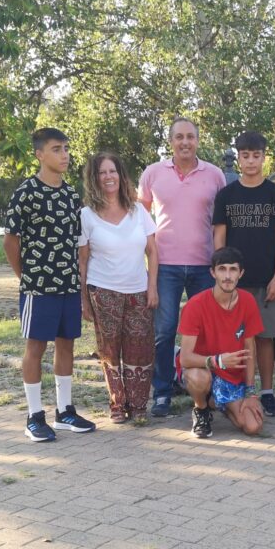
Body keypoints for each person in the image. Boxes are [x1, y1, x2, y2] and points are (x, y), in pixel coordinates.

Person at [3, 127, 96, 442]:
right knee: (36, 347)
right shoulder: (26, 192)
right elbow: (10, 242)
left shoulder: (70, 194)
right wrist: (26, 276)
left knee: (67, 344)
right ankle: (34, 416)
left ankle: (65, 411)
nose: (64, 155)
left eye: (66, 148)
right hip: (38, 287)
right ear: (40, 154)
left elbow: (77, 242)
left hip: (68, 285)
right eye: (57, 149)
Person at [140, 117, 226, 419]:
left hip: (205, 266)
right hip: (165, 266)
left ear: (198, 140)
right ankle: (162, 392)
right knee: (164, 332)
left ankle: (206, 390)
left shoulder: (215, 175)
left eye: (190, 136)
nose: (185, 142)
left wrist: (220, 262)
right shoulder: (152, 173)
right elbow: (141, 220)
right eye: (179, 137)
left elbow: (221, 220)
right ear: (171, 141)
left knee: (206, 333)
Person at [213, 130, 275, 416]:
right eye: (245, 156)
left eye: (256, 156)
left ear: (263, 157)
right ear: (239, 157)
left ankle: (267, 393)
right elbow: (219, 238)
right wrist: (223, 277)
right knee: (234, 339)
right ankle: (237, 390)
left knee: (265, 338)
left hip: (267, 280)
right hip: (235, 282)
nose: (250, 161)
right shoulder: (226, 195)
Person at [79, 152, 158, 424]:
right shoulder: (86, 216)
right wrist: (84, 300)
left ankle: (138, 405)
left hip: (138, 290)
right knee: (110, 351)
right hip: (103, 291)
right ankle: (117, 404)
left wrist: (152, 287)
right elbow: (83, 260)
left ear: (121, 176)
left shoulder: (138, 211)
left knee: (141, 348)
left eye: (112, 171)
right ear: (94, 179)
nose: (108, 177)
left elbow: (152, 251)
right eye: (102, 172)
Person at [177, 246, 265, 439]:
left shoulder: (248, 301)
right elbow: (185, 358)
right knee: (198, 378)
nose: (227, 276)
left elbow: (250, 350)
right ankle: (201, 409)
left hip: (232, 377)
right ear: (212, 272)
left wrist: (251, 393)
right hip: (204, 368)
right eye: (222, 269)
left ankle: (216, 402)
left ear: (241, 273)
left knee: (253, 427)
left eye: (233, 269)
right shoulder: (195, 305)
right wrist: (217, 361)